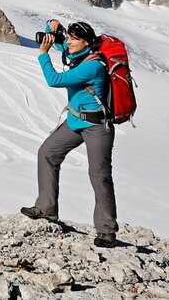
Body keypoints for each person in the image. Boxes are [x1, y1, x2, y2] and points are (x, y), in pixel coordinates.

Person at [21, 19, 119, 248]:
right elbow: (61, 44)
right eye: (69, 37)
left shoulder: (92, 66)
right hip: (75, 122)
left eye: (75, 39)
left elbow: (54, 80)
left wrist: (43, 54)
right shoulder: (80, 55)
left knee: (99, 175)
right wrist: (51, 28)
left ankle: (106, 231)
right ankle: (46, 208)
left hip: (97, 127)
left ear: (87, 43)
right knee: (48, 152)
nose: (69, 42)